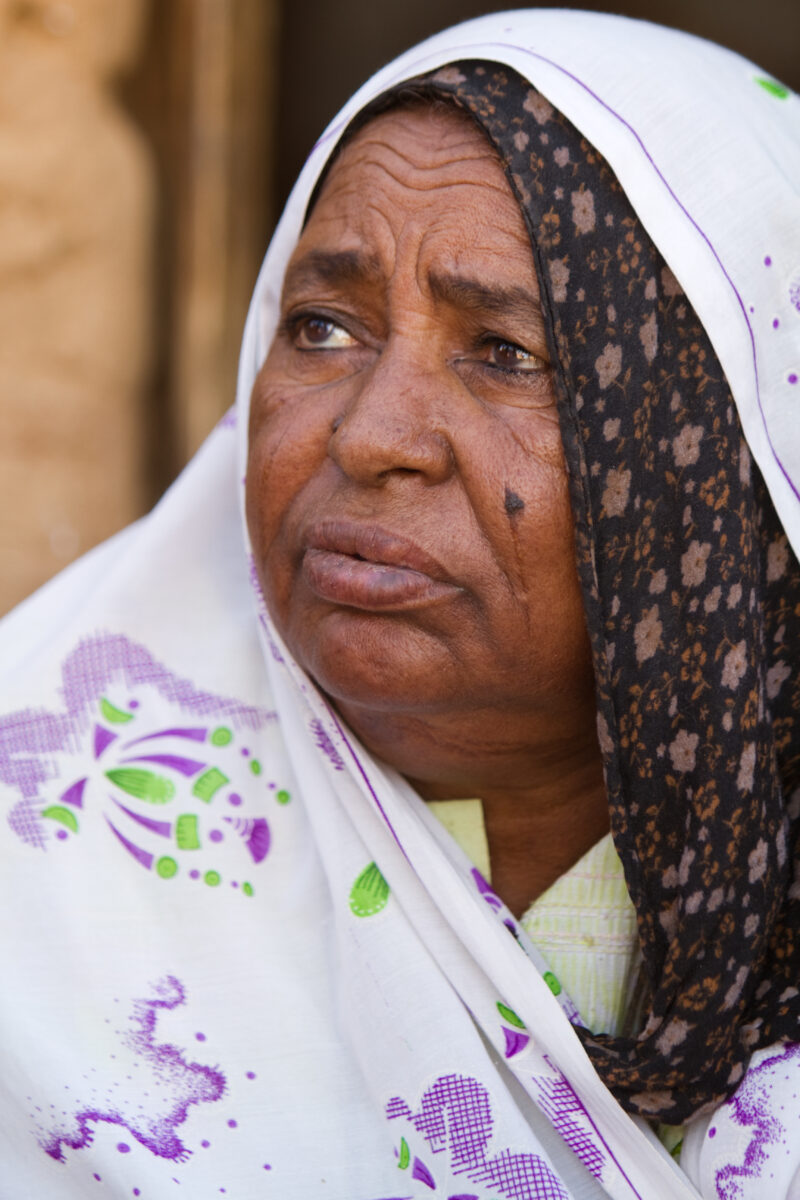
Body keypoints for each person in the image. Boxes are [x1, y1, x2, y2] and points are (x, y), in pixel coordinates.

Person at [1, 10, 798, 1198]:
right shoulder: (39, 880)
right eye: (321, 327)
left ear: (721, 457)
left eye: (503, 352)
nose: (370, 437)